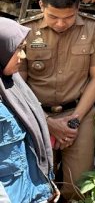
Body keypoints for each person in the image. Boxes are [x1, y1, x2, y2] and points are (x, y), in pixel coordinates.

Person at [19, 0, 95, 200]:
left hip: (78, 113)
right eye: (53, 16)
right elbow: (17, 85)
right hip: (34, 115)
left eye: (68, 17)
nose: (60, 23)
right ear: (41, 6)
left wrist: (73, 122)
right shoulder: (25, 30)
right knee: (35, 183)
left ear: (78, 8)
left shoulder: (93, 28)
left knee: (79, 185)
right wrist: (47, 122)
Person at [0, 18, 58, 202]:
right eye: (17, 49)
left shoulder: (11, 85)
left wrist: (46, 185)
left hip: (32, 193)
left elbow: (28, 146)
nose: (23, 56)